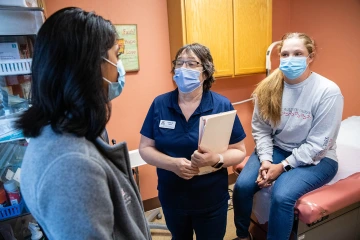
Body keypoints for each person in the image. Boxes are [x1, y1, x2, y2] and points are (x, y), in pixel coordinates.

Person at [16, 7, 151, 240]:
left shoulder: (62, 130)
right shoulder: (72, 166)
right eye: (116, 55)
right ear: (93, 66)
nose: (119, 71)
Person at [233, 32, 344, 240]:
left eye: (298, 53)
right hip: (277, 148)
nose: (290, 59)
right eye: (285, 54)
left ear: (310, 57)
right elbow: (261, 128)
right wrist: (266, 159)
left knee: (282, 195)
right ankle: (242, 236)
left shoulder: (327, 91)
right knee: (242, 186)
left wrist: (282, 166)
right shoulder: (268, 88)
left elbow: (319, 144)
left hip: (319, 158)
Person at [139, 43, 247, 240]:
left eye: (191, 64)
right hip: (172, 196)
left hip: (211, 197)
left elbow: (239, 150)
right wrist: (172, 164)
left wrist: (217, 159)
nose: (183, 69)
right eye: (179, 63)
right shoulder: (160, 104)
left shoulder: (221, 105)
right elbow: (145, 148)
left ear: (205, 73)